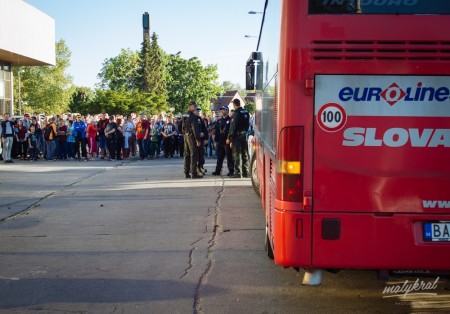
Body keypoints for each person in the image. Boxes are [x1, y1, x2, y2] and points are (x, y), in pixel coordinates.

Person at [227, 99, 250, 178]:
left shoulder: (236, 113)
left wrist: (229, 138)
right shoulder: (246, 112)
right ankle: (245, 172)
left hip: (237, 136)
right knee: (245, 154)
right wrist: (245, 131)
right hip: (244, 135)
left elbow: (233, 126)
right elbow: (248, 124)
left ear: (234, 104)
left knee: (237, 154)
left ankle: (238, 173)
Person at [182, 101, 203, 179]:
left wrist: (183, 132)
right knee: (193, 154)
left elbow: (181, 125)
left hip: (186, 135)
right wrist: (198, 139)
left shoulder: (185, 115)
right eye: (194, 106)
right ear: (190, 106)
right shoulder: (193, 116)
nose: (195, 107)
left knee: (187, 154)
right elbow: (195, 128)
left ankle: (186, 172)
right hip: (191, 136)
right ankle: (194, 173)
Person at [212, 106, 234, 176]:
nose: (222, 111)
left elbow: (231, 131)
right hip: (220, 141)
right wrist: (215, 141)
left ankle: (231, 171)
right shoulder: (219, 121)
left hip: (227, 141)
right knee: (219, 157)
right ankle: (218, 170)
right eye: (222, 110)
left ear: (227, 111)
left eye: (224, 110)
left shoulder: (230, 120)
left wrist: (230, 139)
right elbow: (217, 131)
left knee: (229, 157)